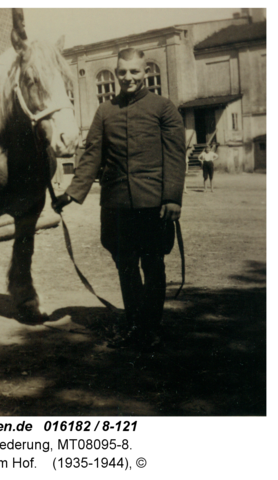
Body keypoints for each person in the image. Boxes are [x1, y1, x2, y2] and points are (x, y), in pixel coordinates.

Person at [53, 48, 186, 349]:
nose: (128, 78)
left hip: (154, 204)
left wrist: (172, 198)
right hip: (116, 206)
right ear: (116, 74)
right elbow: (91, 156)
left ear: (145, 72)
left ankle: (150, 327)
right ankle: (135, 325)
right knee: (125, 265)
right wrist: (72, 194)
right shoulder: (105, 111)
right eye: (122, 72)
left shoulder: (164, 108)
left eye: (135, 72)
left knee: (153, 265)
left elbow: (175, 156)